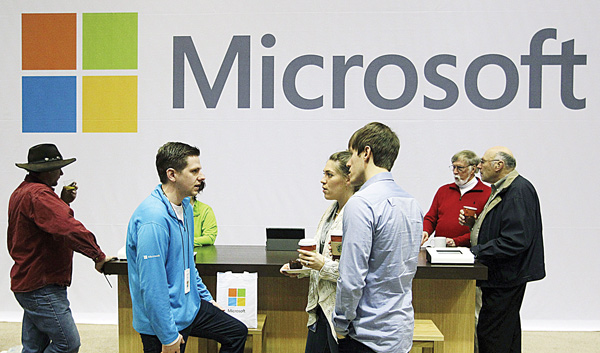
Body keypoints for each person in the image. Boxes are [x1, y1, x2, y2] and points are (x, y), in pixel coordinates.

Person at [126, 142, 247, 353]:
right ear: (172, 174)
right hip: (162, 324)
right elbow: (153, 287)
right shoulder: (153, 219)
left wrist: (207, 299)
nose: (202, 176)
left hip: (189, 308)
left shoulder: (187, 208)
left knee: (236, 332)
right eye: (194, 171)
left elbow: (188, 265)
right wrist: (168, 336)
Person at [7, 143, 111, 353]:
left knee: (33, 348)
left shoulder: (23, 192)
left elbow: (44, 225)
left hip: (29, 282)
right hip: (42, 286)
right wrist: (97, 255)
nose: (62, 172)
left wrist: (61, 202)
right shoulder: (40, 197)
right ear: (45, 171)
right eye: (57, 167)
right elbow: (67, 228)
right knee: (68, 345)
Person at [333, 122, 423, 353]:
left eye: (351, 154)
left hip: (366, 334)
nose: (348, 162)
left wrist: (341, 322)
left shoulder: (361, 204)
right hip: (400, 330)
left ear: (366, 152)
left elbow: (352, 277)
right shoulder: (412, 203)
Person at [464, 146, 545, 353]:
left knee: (492, 333)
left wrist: (477, 251)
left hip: (506, 276)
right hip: (503, 274)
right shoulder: (506, 187)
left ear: (499, 165)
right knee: (505, 330)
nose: (478, 166)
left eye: (483, 162)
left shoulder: (518, 191)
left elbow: (516, 240)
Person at [280, 151, 357, 353]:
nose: (323, 181)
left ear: (348, 179)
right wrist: (301, 268)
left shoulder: (356, 216)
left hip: (341, 313)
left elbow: (353, 273)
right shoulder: (331, 211)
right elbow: (322, 258)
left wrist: (321, 265)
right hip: (319, 308)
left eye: (329, 175)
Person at [421, 150, 491, 247]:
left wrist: (457, 241)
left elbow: (485, 229)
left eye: (460, 168)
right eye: (453, 167)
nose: (455, 172)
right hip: (440, 249)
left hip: (469, 251)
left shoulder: (487, 193)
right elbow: (431, 218)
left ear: (473, 169)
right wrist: (425, 231)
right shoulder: (443, 190)